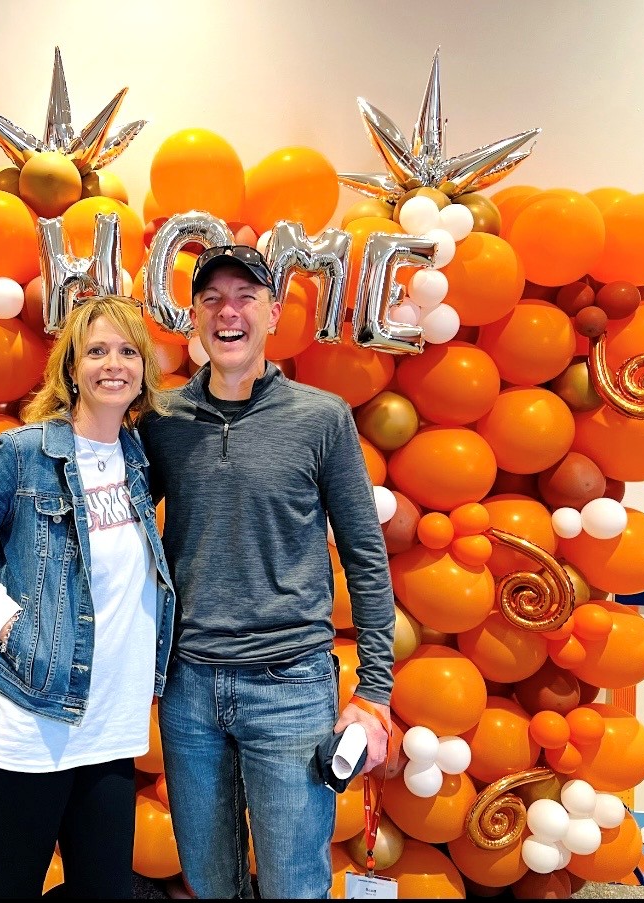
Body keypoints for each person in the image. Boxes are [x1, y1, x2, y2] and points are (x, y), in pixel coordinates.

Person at [139, 245, 397, 899]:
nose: (229, 311)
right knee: (208, 877)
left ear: (274, 313)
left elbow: (365, 555)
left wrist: (374, 690)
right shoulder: (162, 422)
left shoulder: (322, 418)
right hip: (188, 687)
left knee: (292, 883)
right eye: (213, 299)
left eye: (246, 296)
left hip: (291, 686)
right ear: (193, 317)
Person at [0, 295, 176, 899]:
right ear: (70, 368)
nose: (113, 364)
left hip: (110, 726)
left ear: (144, 371)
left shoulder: (140, 458)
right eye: (96, 351)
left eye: (128, 351)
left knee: (104, 890)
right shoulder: (23, 454)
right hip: (26, 721)